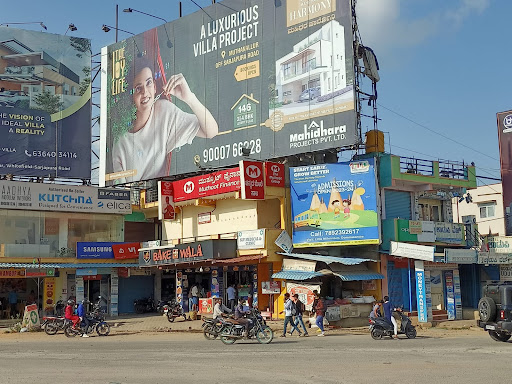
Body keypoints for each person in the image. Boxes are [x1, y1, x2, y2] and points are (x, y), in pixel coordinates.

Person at [112, 58, 219, 183]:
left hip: (165, 195)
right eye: (138, 88)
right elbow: (121, 192)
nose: (145, 92)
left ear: (155, 87)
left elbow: (211, 131)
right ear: (131, 96)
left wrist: (189, 98)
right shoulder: (120, 141)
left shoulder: (164, 111)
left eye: (149, 83)